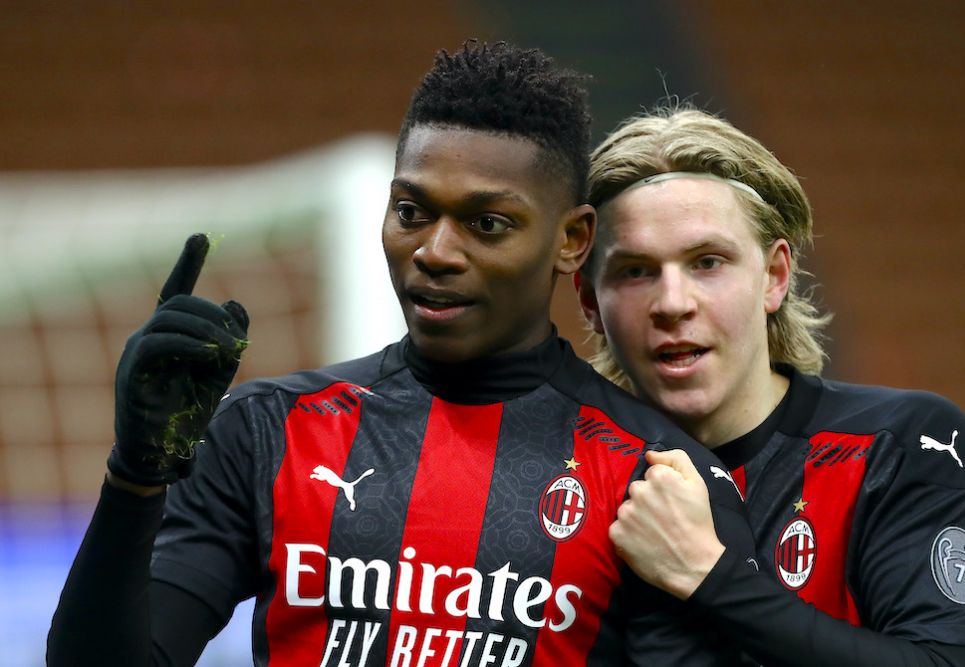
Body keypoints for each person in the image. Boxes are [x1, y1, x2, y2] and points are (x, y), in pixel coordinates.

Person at [47, 44, 757, 667]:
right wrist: (136, 474)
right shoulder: (268, 430)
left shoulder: (659, 478)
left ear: (572, 240)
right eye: (412, 211)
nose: (435, 252)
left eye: (487, 223)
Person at [575, 106, 965, 666]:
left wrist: (711, 578)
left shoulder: (898, 447)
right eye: (635, 271)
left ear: (774, 277)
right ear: (590, 302)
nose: (672, 304)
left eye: (708, 262)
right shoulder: (553, 472)